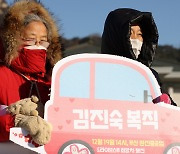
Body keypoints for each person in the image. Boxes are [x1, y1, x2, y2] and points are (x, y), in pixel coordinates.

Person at [0, 0, 62, 145]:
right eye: (31, 39)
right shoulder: (2, 74)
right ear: (14, 40)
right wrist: (14, 120)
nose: (38, 45)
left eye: (43, 40)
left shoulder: (52, 81)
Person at [101, 8, 176, 106]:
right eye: (130, 34)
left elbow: (172, 115)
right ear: (116, 37)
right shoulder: (98, 72)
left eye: (139, 34)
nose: (136, 40)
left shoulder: (150, 75)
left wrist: (167, 104)